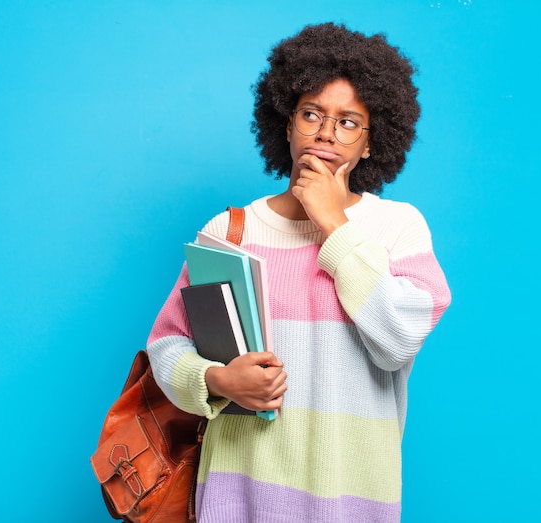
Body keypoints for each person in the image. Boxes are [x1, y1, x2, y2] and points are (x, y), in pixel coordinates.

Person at [147, 22, 451, 523]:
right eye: (312, 114)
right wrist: (219, 380)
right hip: (236, 498)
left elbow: (398, 340)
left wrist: (333, 223)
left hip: (352, 500)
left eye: (350, 121)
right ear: (287, 123)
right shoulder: (230, 230)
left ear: (371, 143)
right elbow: (167, 346)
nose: (328, 133)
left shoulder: (398, 228)